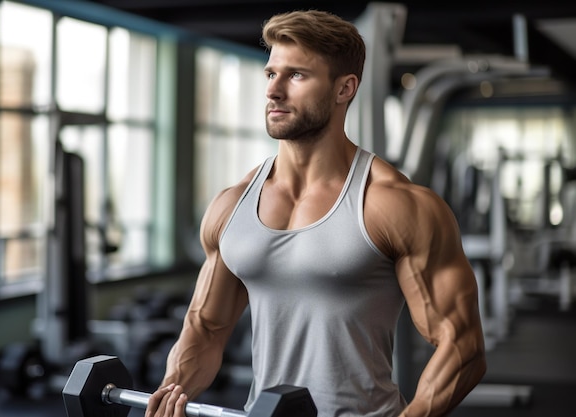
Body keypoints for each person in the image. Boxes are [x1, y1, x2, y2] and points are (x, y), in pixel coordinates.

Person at [145, 9, 486, 417]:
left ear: (345, 89)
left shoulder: (393, 204)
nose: (274, 91)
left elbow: (462, 344)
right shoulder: (232, 206)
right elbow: (207, 328)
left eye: (297, 76)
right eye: (271, 74)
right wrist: (172, 390)